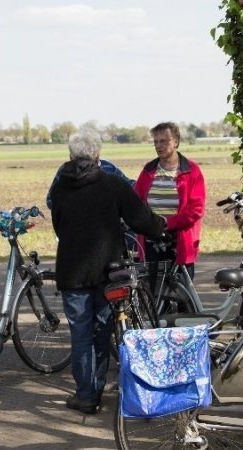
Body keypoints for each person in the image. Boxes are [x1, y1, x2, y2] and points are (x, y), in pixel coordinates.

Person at [49, 131, 165, 414]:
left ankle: (85, 394)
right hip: (106, 271)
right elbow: (139, 218)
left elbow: (58, 223)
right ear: (98, 154)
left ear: (71, 156)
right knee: (102, 331)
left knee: (80, 333)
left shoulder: (61, 186)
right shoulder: (111, 183)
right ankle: (96, 389)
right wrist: (160, 226)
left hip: (71, 270)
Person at [134, 122, 205, 280]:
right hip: (151, 243)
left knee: (182, 300)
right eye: (156, 142)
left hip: (180, 245)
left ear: (176, 142)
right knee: (154, 299)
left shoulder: (191, 171)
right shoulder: (148, 170)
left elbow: (196, 209)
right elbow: (136, 202)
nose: (159, 146)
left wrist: (168, 224)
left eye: (163, 141)